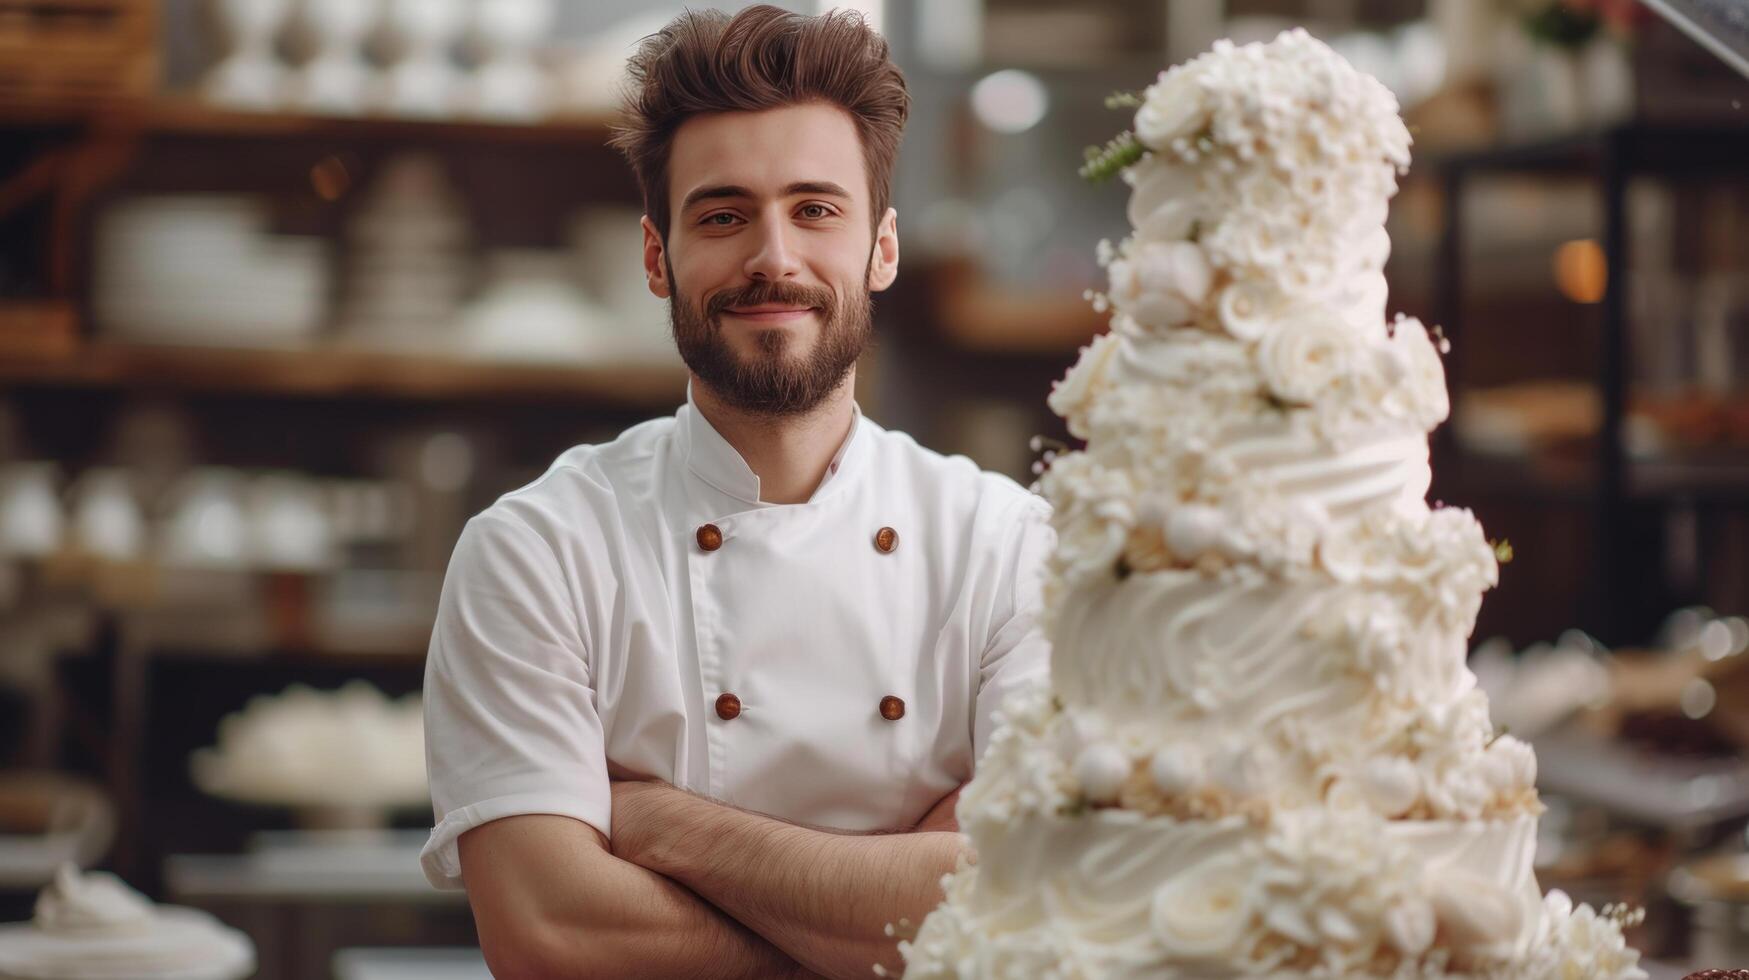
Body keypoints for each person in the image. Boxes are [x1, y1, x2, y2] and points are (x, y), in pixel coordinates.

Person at [418, 6, 1053, 977]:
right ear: (655, 256)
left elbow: (1034, 905)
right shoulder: (539, 549)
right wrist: (892, 908)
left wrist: (664, 826)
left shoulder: (1011, 547)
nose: (773, 258)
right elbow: (550, 934)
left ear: (881, 247)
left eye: (816, 209)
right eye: (723, 214)